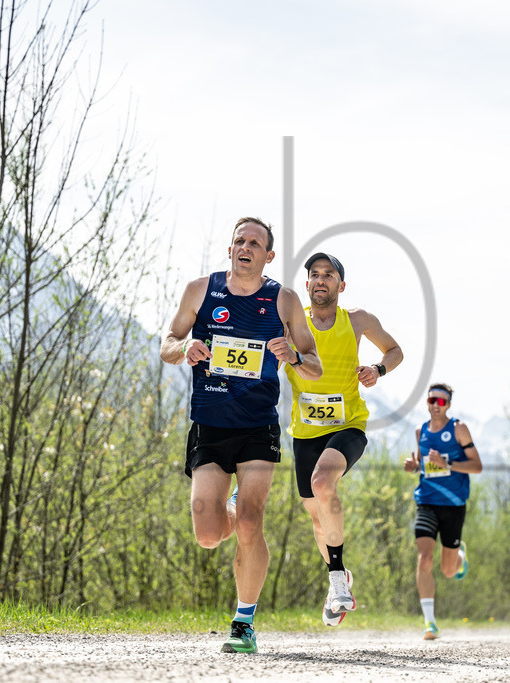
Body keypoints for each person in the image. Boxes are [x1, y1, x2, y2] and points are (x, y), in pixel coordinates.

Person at [160, 217, 322, 654]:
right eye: (239, 241)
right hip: (210, 424)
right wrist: (183, 348)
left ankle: (244, 622)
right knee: (209, 534)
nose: (245, 247)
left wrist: (293, 355)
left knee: (251, 523)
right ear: (230, 249)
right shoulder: (201, 290)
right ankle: (230, 506)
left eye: (255, 243)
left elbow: (314, 362)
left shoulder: (283, 299)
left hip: (257, 425)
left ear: (268, 256)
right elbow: (168, 340)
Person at [284, 252, 403, 627]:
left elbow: (395, 350)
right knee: (318, 519)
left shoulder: (358, 320)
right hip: (305, 431)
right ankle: (340, 574)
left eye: (329, 275)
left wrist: (377, 369)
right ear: (307, 285)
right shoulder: (291, 322)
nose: (321, 280)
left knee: (323, 482)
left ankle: (336, 581)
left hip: (347, 424)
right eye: (314, 275)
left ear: (341, 285)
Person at [403, 383, 482, 640]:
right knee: (424, 558)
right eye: (431, 400)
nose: (435, 405)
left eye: (440, 401)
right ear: (426, 403)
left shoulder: (458, 429)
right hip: (426, 500)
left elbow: (477, 466)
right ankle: (430, 623)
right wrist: (415, 467)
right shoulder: (420, 431)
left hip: (453, 504)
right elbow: (424, 467)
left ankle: (459, 556)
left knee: (448, 571)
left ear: (447, 405)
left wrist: (446, 462)